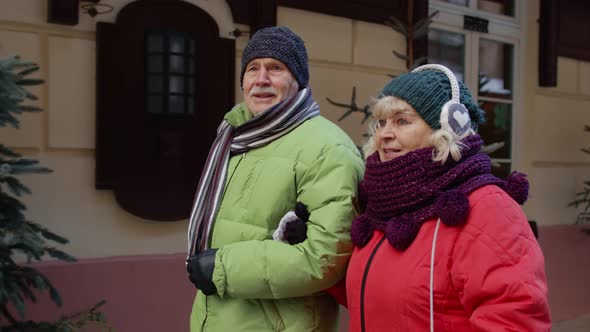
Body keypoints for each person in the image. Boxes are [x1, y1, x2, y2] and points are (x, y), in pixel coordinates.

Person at [333, 64, 551, 331]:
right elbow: (377, 295)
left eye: (402, 121)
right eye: (382, 122)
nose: (384, 134)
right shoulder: (383, 205)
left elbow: (515, 319)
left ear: (448, 127)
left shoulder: (487, 207)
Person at [185, 26, 364, 332]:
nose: (261, 79)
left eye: (275, 68)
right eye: (253, 68)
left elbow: (326, 256)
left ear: (298, 80)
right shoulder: (235, 138)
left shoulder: (327, 148)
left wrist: (223, 269)